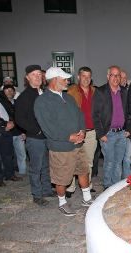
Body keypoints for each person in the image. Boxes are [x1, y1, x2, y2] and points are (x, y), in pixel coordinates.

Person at [34, 67, 93, 217]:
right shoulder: (42, 101)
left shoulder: (68, 97)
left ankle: (87, 198)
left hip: (78, 143)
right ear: (54, 80)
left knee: (83, 170)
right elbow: (48, 127)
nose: (67, 81)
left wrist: (82, 131)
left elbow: (80, 115)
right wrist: (68, 137)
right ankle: (62, 202)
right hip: (61, 147)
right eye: (64, 79)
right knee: (62, 177)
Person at [15, 65, 53, 206]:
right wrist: (35, 130)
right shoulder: (24, 96)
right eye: (34, 74)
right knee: (36, 168)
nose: (37, 77)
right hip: (35, 138)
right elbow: (19, 118)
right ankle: (37, 195)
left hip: (46, 137)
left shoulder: (44, 93)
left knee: (45, 166)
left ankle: (47, 190)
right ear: (27, 77)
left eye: (39, 74)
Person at [92, 66, 129, 189]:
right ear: (108, 77)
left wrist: (128, 129)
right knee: (109, 162)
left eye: (118, 75)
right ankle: (107, 186)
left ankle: (116, 186)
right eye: (113, 75)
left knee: (118, 162)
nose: (115, 77)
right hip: (108, 134)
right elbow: (95, 114)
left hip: (122, 133)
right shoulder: (101, 91)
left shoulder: (124, 91)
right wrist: (101, 134)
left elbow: (128, 112)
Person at [66, 67, 97, 197]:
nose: (86, 78)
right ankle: (70, 187)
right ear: (78, 77)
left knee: (89, 161)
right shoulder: (71, 91)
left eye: (88, 76)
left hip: (91, 132)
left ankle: (87, 185)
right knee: (73, 161)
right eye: (83, 76)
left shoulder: (95, 91)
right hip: (77, 132)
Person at [3, 85, 27, 175]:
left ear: (14, 92)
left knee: (21, 154)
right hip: (7, 133)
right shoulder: (1, 104)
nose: (9, 92)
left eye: (11, 90)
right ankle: (9, 173)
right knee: (8, 155)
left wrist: (24, 131)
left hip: (18, 133)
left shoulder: (18, 102)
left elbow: (22, 117)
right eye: (7, 90)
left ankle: (22, 172)